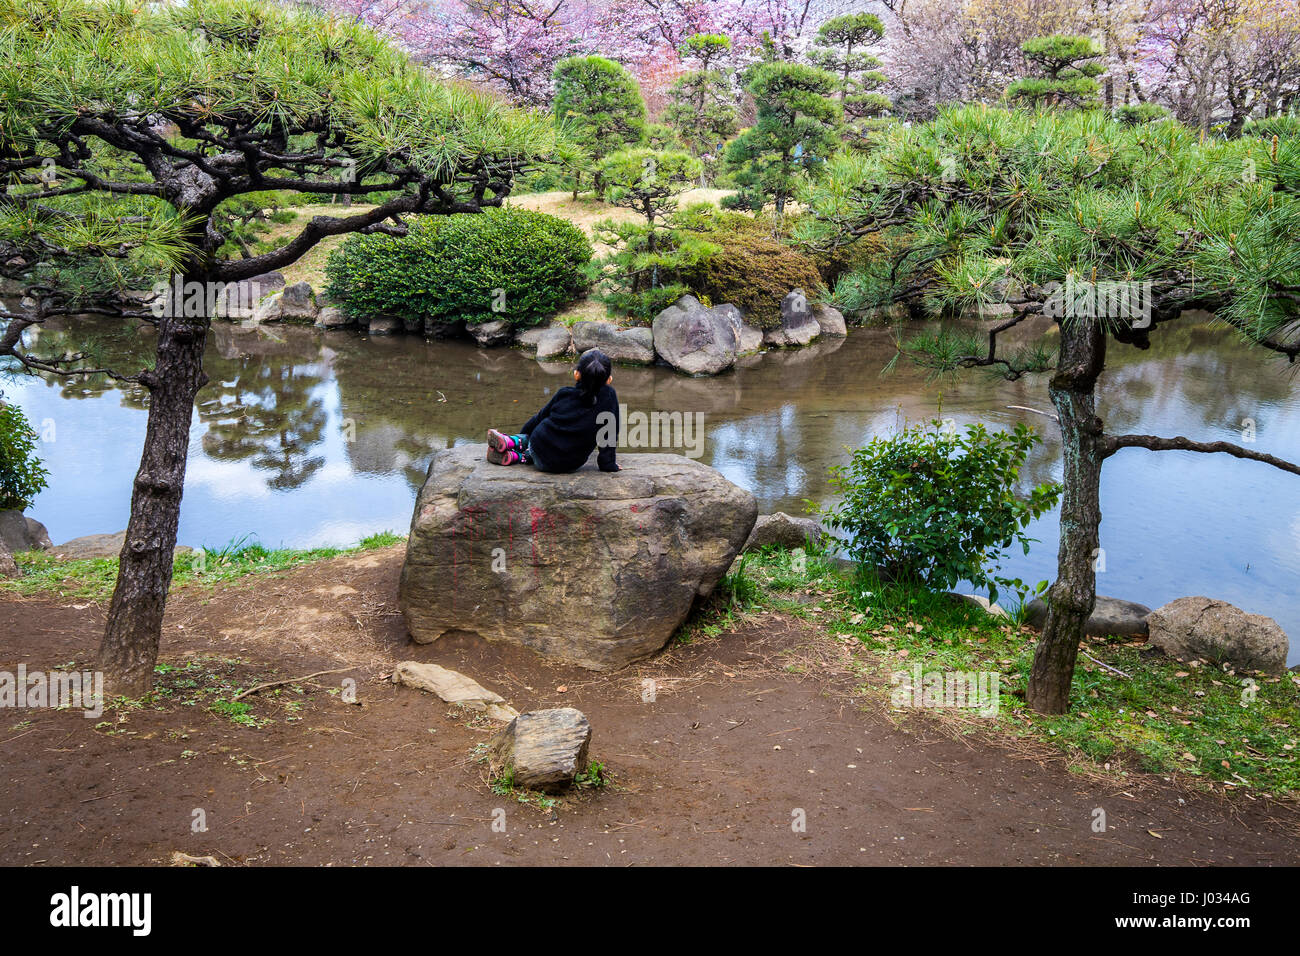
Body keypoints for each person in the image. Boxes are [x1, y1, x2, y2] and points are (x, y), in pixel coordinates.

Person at [486, 348, 621, 473]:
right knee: (539, 456)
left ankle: (513, 442)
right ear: (609, 379)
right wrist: (608, 464)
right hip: (570, 464)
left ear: (576, 374)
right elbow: (609, 434)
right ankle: (516, 456)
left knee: (536, 443)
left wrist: (524, 435)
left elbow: (539, 417)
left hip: (539, 445)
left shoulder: (564, 394)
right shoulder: (609, 398)